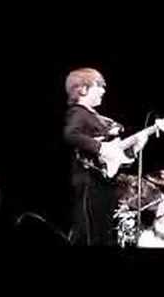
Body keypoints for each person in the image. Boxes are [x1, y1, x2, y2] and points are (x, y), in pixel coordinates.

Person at [63, 68, 149, 245]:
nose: (103, 90)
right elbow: (70, 135)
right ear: (82, 89)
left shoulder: (98, 117)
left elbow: (115, 156)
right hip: (88, 180)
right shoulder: (79, 112)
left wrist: (135, 148)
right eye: (99, 85)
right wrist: (100, 147)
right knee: (88, 232)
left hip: (102, 180)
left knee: (103, 232)